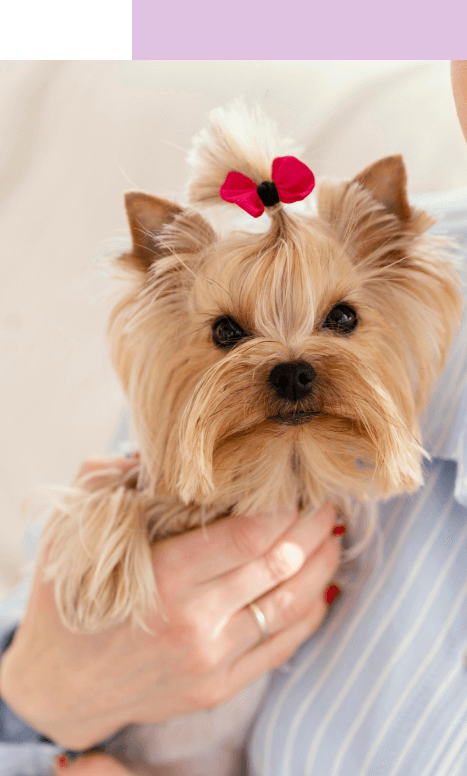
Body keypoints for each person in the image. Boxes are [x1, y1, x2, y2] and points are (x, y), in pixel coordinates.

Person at [1, 61, 467, 776]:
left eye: (338, 319)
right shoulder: (188, 422)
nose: (289, 364)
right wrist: (34, 697)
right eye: (229, 335)